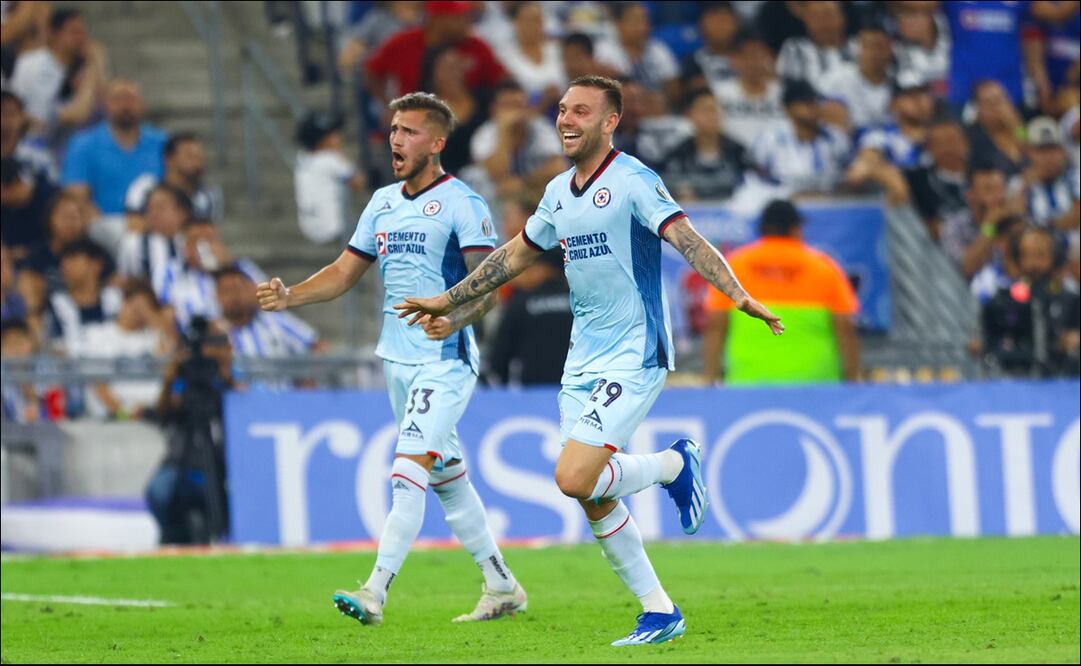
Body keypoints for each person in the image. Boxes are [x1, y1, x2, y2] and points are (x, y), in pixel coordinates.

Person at [394, 76, 783, 646]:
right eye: (561, 110)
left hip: (635, 350)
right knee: (594, 495)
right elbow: (514, 256)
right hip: (583, 356)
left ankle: (673, 465)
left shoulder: (633, 181)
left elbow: (687, 239)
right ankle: (660, 611)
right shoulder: (557, 191)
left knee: (573, 476)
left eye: (581, 111)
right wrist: (449, 302)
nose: (566, 119)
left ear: (610, 121)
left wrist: (738, 294)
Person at [257, 92, 526, 625]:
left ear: (437, 143)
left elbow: (489, 288)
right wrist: (291, 297)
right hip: (395, 360)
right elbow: (343, 272)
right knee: (447, 478)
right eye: (394, 130)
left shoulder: (464, 204)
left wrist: (455, 318)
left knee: (407, 472)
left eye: (409, 131)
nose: (395, 140)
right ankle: (502, 585)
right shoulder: (381, 202)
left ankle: (374, 592)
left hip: (444, 359)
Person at [701, 199, 860, 384]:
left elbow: (715, 325)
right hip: (816, 385)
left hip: (747, 384)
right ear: (795, 229)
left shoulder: (735, 266)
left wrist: (710, 379)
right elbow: (846, 328)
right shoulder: (823, 268)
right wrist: (852, 381)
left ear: (763, 229)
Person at [485, 248, 572, 386]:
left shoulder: (521, 302)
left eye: (531, 267)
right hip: (576, 389)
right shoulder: (579, 302)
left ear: (548, 269)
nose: (523, 274)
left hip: (532, 391)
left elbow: (500, 355)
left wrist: (502, 385)